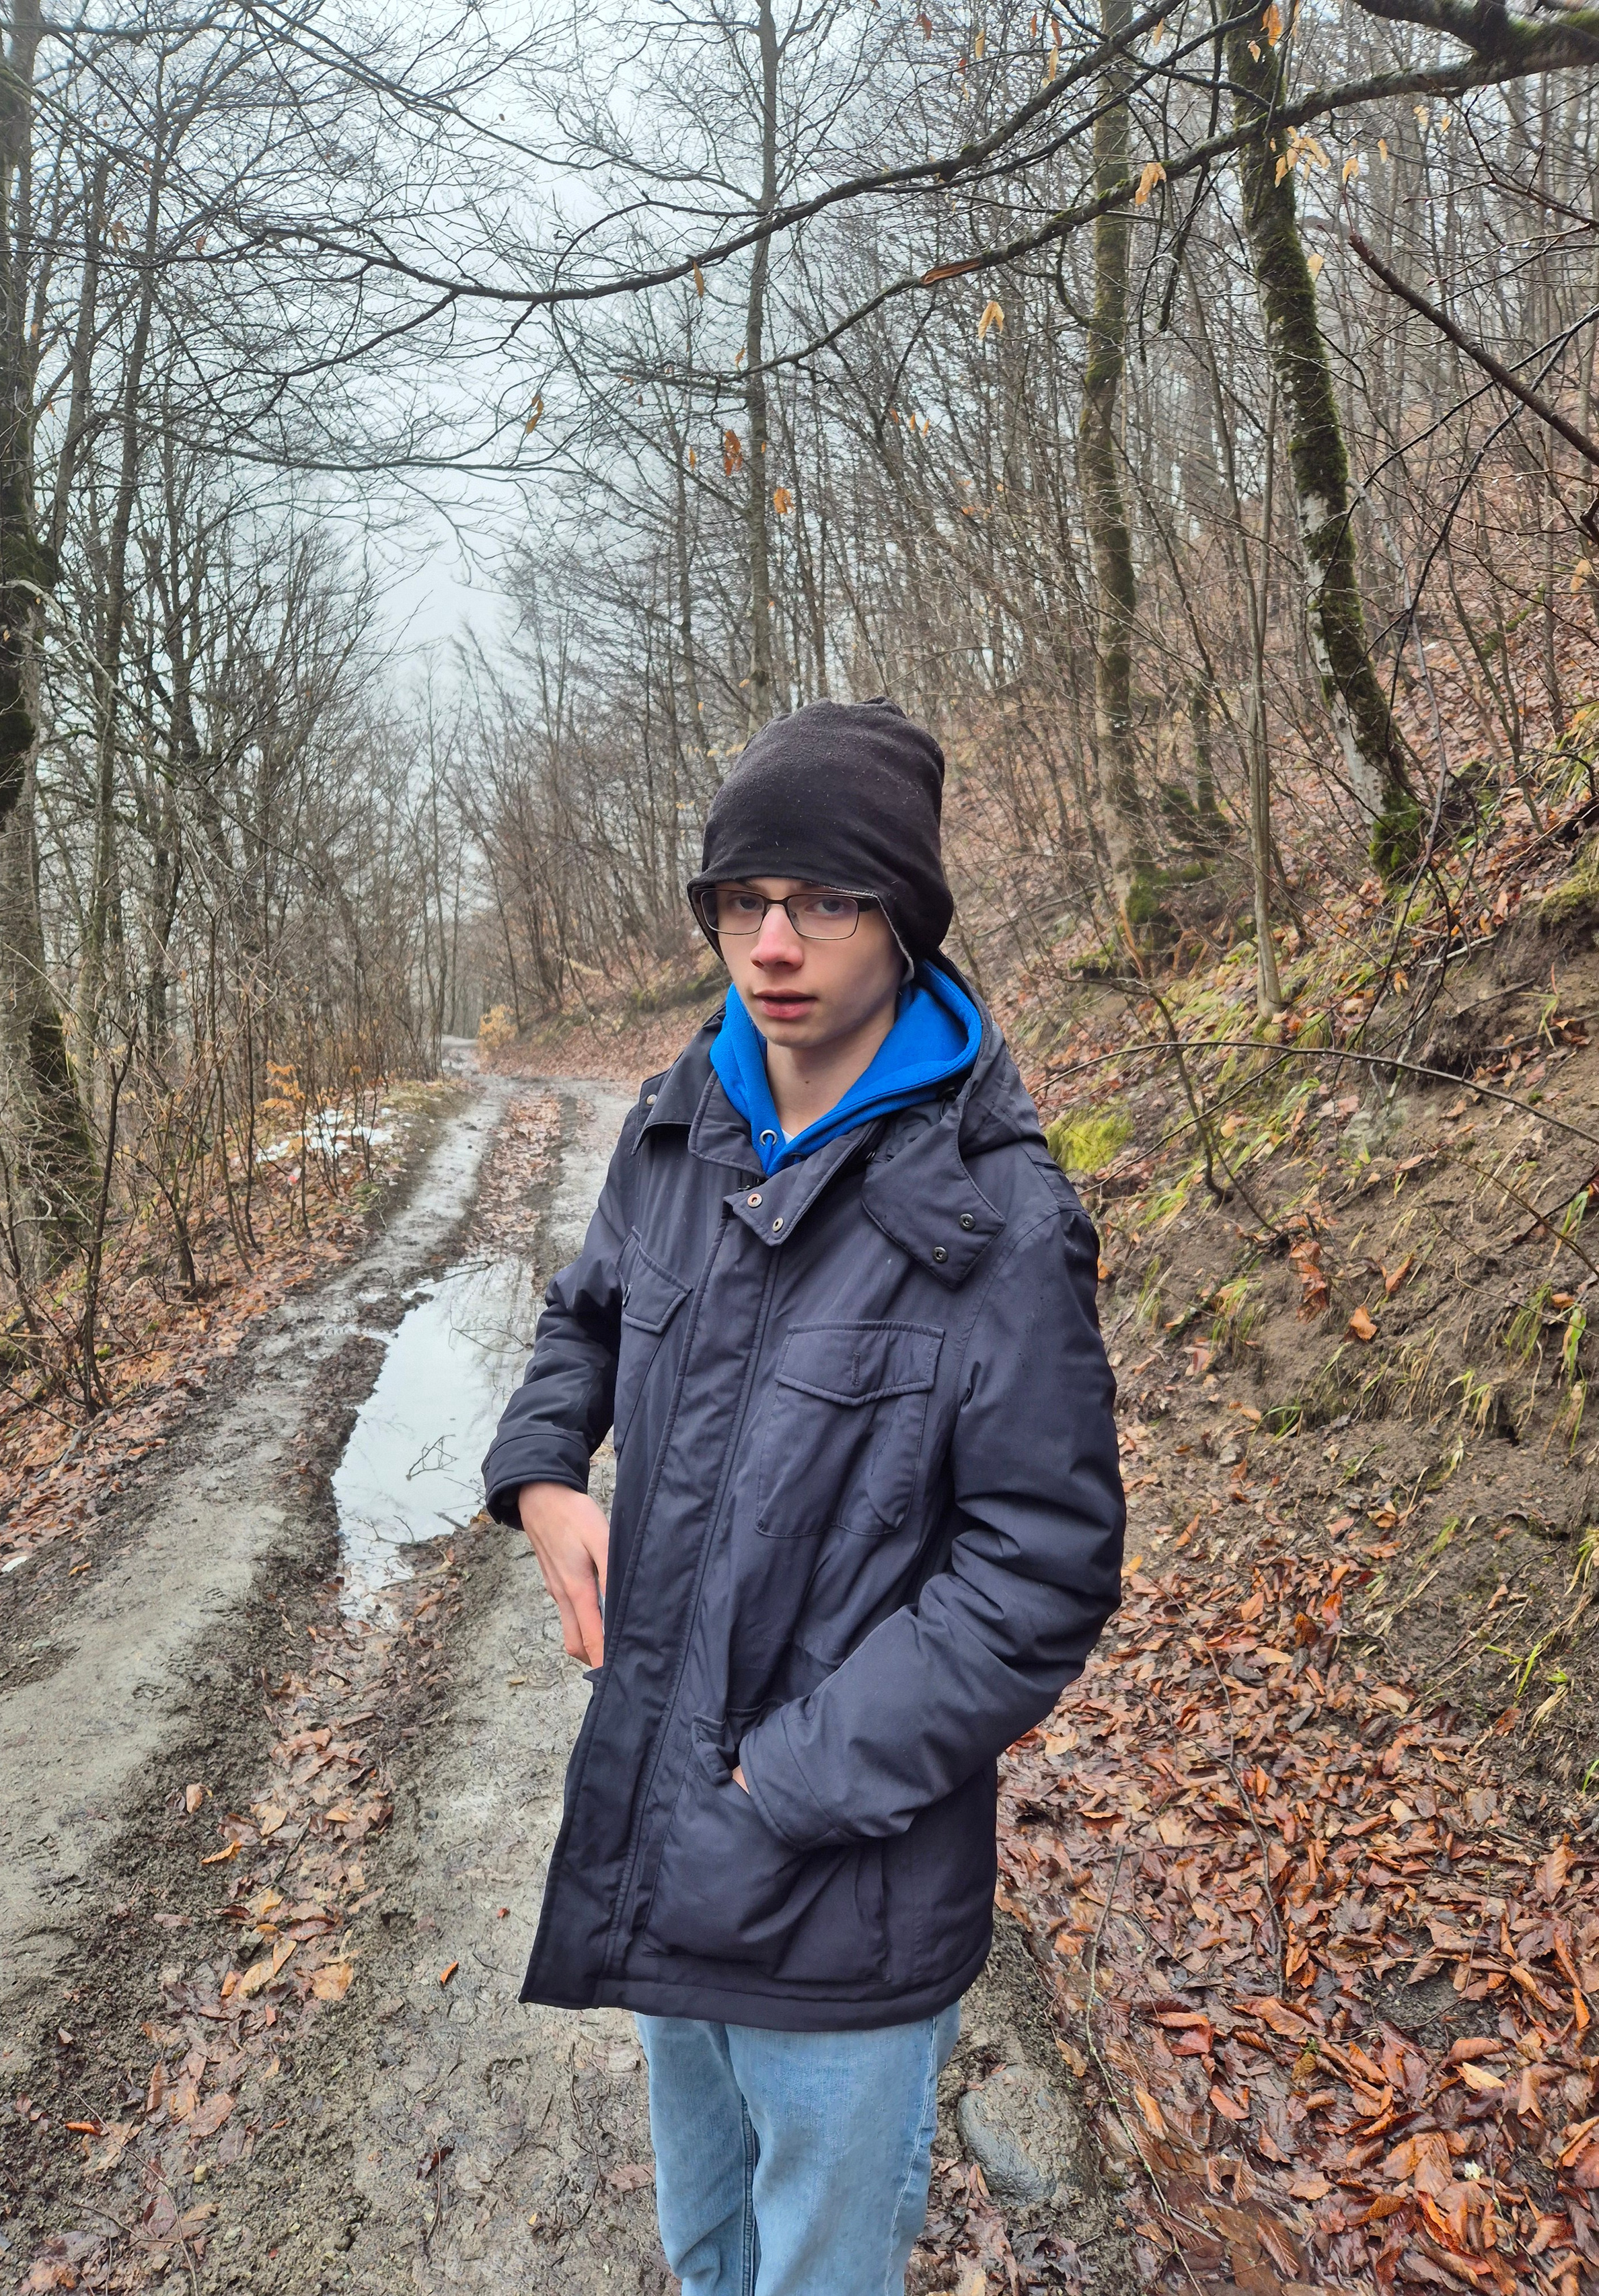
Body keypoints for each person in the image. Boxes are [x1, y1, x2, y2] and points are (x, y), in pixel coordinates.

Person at [482, 698, 1124, 2296]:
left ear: (900, 918)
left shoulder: (994, 1214)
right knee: (704, 2245)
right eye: (739, 900)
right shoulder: (679, 1118)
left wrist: (781, 1786)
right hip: (660, 1834)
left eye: (822, 900)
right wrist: (543, 1474)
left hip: (839, 1883)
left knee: (816, 2272)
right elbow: (585, 1315)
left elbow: (1039, 1568)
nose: (770, 944)